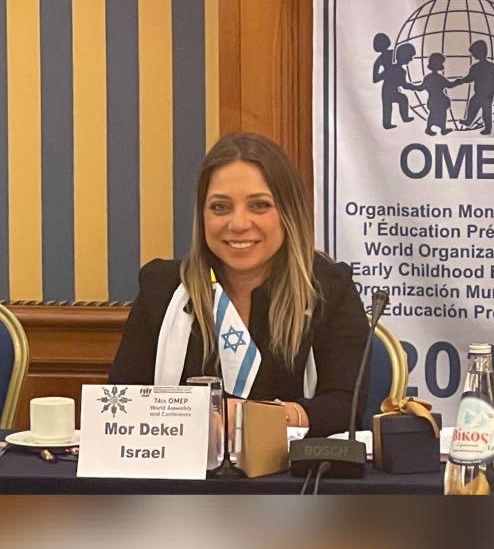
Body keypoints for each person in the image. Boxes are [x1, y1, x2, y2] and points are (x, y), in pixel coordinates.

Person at [109, 132, 370, 438]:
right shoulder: (162, 288)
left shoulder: (328, 288)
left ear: (289, 213)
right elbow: (120, 402)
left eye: (259, 205)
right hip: (184, 468)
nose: (238, 224)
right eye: (220, 207)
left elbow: (346, 408)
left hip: (295, 468)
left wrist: (261, 418)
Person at [454, 40, 494, 134]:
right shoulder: (480, 66)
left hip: (487, 94)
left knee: (486, 111)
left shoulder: (483, 66)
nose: (473, 55)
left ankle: (487, 128)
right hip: (480, 93)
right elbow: (470, 78)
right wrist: (461, 81)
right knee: (473, 105)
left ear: (479, 52)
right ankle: (469, 121)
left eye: (473, 53)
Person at [416, 52, 457, 136]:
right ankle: (432, 128)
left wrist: (412, 86)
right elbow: (449, 85)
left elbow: (421, 87)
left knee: (438, 114)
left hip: (437, 100)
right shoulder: (438, 78)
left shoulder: (429, 77)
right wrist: (457, 82)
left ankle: (440, 128)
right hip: (438, 100)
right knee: (437, 114)